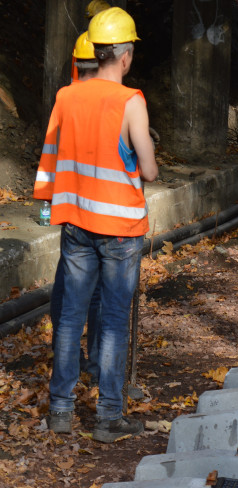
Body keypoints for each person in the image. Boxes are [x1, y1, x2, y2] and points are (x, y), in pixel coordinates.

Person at [34, 7, 157, 443]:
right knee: (112, 322)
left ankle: (61, 411)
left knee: (69, 317)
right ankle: (108, 417)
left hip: (76, 225)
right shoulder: (131, 101)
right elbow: (149, 168)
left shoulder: (67, 97)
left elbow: (57, 153)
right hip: (120, 231)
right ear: (123, 56)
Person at [50, 31, 103, 387]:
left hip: (71, 215)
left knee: (67, 301)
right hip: (108, 219)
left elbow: (53, 153)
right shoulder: (121, 101)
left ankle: (64, 395)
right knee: (101, 301)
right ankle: (99, 370)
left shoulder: (65, 98)